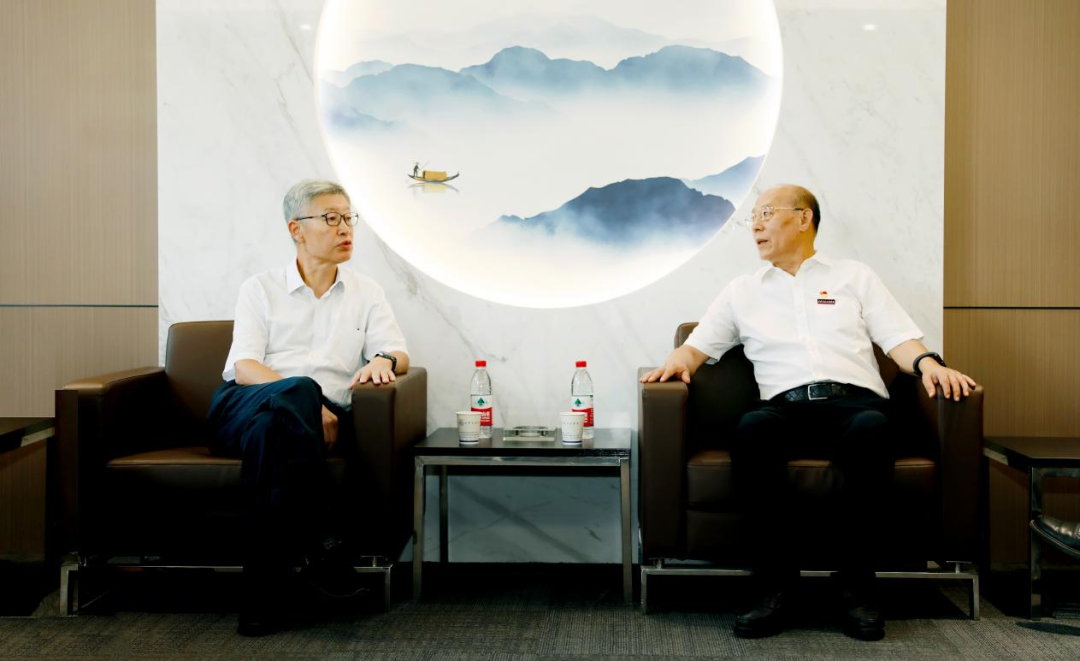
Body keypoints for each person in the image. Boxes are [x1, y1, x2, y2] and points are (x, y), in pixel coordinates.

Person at [640, 184, 977, 641]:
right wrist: (674, 364)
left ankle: (856, 587)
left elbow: (898, 338)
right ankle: (773, 586)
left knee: (874, 428)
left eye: (765, 213)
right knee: (753, 428)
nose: (755, 225)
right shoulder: (743, 291)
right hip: (784, 409)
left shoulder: (853, 277)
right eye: (752, 218)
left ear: (803, 218)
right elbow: (695, 349)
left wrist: (929, 365)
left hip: (856, 405)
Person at [208, 179, 410, 636]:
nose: (345, 228)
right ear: (296, 230)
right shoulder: (260, 289)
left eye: (348, 218)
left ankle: (261, 599)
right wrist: (310, 402)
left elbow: (399, 353)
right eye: (331, 218)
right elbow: (244, 367)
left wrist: (382, 358)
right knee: (299, 389)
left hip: (273, 427)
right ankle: (323, 538)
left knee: (271, 432)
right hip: (241, 407)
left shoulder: (366, 292)